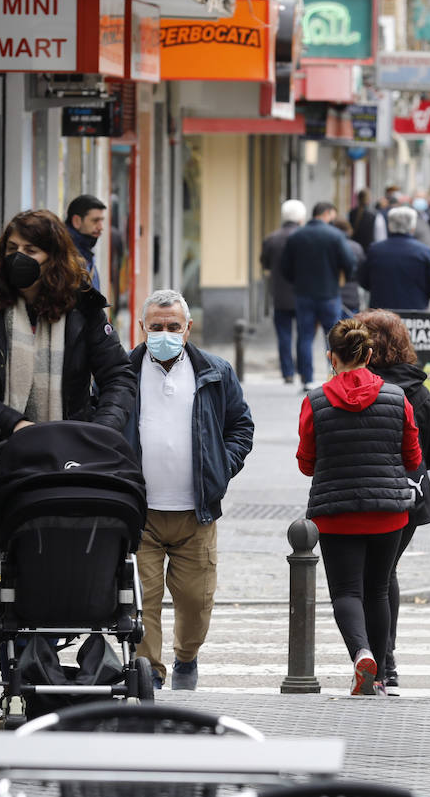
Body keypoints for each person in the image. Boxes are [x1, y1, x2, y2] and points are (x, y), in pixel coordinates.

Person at [0, 209, 137, 541]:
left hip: (75, 457)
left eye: (30, 250)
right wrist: (15, 424)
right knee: (8, 559)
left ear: (52, 257)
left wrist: (98, 432)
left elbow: (119, 376)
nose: (18, 258)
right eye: (11, 249)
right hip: (1, 455)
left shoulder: (85, 308)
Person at [125, 290, 254, 692]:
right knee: (141, 602)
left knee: (196, 602)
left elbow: (240, 427)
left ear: (188, 328)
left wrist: (220, 468)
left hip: (195, 511)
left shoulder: (214, 372)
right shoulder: (122, 373)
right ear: (143, 327)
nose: (165, 334)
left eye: (173, 327)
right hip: (138, 513)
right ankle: (149, 675)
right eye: (157, 327)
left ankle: (187, 656)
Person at [296, 319, 422, 696]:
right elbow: (413, 456)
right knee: (378, 590)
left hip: (336, 513)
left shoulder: (314, 401)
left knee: (346, 592)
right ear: (368, 355)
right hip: (388, 511)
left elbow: (306, 462)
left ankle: (361, 653)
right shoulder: (398, 398)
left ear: (332, 357)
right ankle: (380, 675)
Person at [356, 310, 430, 691]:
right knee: (384, 574)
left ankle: (372, 658)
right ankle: (386, 660)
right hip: (407, 496)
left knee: (364, 579)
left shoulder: (355, 386)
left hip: (358, 492)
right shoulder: (419, 392)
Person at [281, 202, 356, 390]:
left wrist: (297, 282)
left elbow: (285, 267)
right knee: (332, 336)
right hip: (329, 293)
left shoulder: (296, 236)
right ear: (328, 213)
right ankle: (333, 376)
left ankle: (307, 379)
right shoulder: (335, 235)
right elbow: (349, 262)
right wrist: (341, 277)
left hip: (303, 293)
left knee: (305, 335)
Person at [259, 199, 306, 385]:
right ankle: (303, 370)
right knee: (304, 335)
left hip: (280, 294)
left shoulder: (272, 238)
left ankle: (287, 372)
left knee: (284, 335)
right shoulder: (304, 237)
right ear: (301, 217)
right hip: (303, 294)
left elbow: (266, 264)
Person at [360, 207, 430, 311]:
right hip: (415, 314)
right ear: (413, 227)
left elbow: (364, 281)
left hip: (381, 313)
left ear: (389, 226)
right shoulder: (424, 251)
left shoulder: (374, 250)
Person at [66, 194, 107, 293]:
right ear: (77, 221)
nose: (101, 227)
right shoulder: (66, 255)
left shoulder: (85, 251)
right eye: (95, 221)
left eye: (102, 221)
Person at [332, 219, 367, 315]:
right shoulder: (356, 247)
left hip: (331, 296)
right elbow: (362, 271)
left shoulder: (328, 245)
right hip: (351, 296)